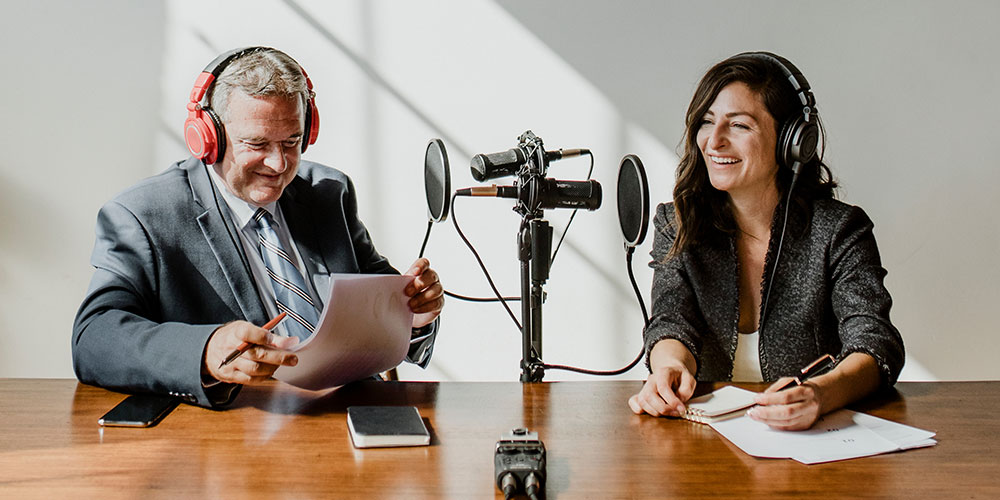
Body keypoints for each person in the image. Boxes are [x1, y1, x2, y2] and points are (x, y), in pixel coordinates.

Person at [73, 47, 444, 408]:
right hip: (240, 430)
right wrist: (206, 351)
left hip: (352, 410)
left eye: (292, 141)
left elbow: (379, 302)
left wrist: (414, 314)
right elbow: (95, 337)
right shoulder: (142, 215)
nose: (279, 163)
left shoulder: (328, 194)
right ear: (207, 138)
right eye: (257, 143)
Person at [627, 52, 903, 430]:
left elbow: (875, 343)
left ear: (791, 141)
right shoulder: (676, 224)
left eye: (738, 125)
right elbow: (671, 320)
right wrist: (668, 368)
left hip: (813, 448)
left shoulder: (839, 230)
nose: (715, 141)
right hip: (705, 445)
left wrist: (820, 395)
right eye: (707, 122)